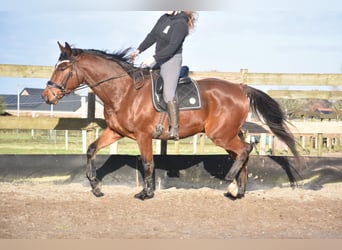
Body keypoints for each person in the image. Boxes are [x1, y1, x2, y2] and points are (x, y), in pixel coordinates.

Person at [130, 11, 197, 140]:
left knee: (168, 93)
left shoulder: (181, 24)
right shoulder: (164, 18)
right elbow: (152, 36)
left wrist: (154, 58)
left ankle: (174, 128)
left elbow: (172, 47)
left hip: (171, 60)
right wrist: (139, 50)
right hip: (159, 58)